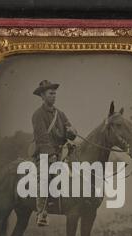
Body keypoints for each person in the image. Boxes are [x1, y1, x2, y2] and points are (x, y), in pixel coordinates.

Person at [32, 80, 77, 226]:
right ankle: (41, 213)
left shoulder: (61, 114)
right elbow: (42, 137)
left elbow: (70, 131)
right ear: (43, 96)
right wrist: (50, 155)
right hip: (44, 154)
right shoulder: (38, 115)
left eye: (55, 94)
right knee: (44, 177)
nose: (54, 96)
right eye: (51, 94)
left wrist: (72, 132)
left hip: (61, 152)